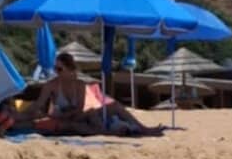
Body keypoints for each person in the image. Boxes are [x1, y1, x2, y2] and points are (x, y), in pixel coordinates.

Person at [16, 52, 165, 136]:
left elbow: (79, 109)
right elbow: (39, 104)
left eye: (60, 69)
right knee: (78, 124)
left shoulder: (79, 85)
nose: (56, 72)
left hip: (77, 115)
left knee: (114, 105)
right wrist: (21, 114)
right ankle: (108, 132)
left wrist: (74, 113)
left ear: (70, 70)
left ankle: (144, 128)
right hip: (61, 118)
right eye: (56, 69)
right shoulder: (52, 85)